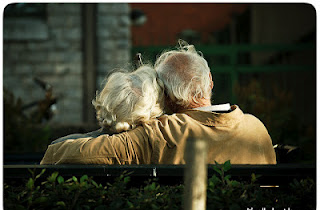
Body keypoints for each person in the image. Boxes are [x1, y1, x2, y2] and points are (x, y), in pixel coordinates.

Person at [40, 41, 276, 165]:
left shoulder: (161, 134)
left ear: (168, 99)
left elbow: (73, 154)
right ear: (211, 81)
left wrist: (54, 150)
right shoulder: (258, 129)